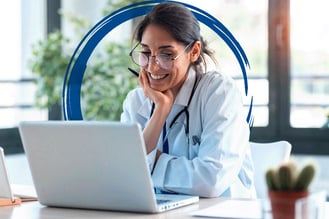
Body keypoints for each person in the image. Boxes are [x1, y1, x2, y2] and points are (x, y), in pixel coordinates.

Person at [120, 2, 255, 198]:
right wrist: (160, 111)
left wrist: (150, 164)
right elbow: (125, 176)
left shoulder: (218, 92)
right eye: (146, 53)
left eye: (166, 55)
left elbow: (211, 180)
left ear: (194, 51)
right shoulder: (136, 101)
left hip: (224, 211)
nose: (153, 67)